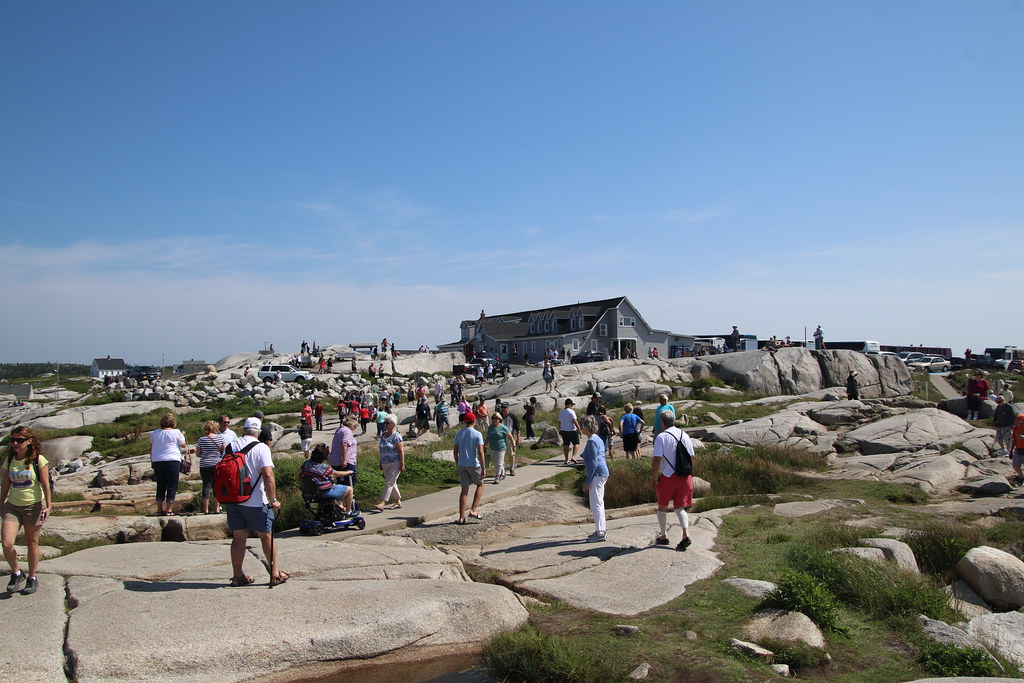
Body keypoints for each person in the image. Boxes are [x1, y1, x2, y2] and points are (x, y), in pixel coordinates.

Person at [225, 418, 287, 587]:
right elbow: (267, 475)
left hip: (233, 499)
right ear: (259, 432)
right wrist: (273, 499)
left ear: (243, 430)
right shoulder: (261, 448)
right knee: (266, 536)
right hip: (255, 500)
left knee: (238, 537)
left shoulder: (231, 446)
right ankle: (275, 574)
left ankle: (238, 576)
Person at [1, 426, 51, 595]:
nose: (15, 443)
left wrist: (49, 505)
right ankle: (16, 573)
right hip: (12, 505)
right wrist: (1, 504)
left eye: (19, 440)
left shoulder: (39, 460)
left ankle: (32, 577)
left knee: (32, 543)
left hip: (33, 506)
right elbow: (5, 484)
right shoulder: (9, 459)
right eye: (13, 440)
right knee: (7, 544)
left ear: (29, 441)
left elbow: (45, 484)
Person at [651, 411, 695, 551]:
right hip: (684, 476)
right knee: (680, 507)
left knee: (662, 506)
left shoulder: (661, 437)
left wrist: (653, 476)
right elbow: (692, 457)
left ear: (662, 422)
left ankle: (664, 536)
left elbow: (657, 458)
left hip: (668, 476)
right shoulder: (685, 435)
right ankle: (685, 534)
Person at [299, 444, 355, 514]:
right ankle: (348, 512)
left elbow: (297, 475)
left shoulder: (306, 463)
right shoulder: (323, 468)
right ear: (325, 457)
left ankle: (339, 505)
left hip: (309, 493)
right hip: (322, 492)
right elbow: (336, 474)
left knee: (335, 489)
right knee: (349, 490)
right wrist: (348, 472)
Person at [578, 415, 609, 543]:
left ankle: (600, 531)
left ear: (586, 427)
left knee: (595, 503)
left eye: (582, 426)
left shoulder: (591, 441)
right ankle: (601, 529)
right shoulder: (597, 438)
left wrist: (587, 480)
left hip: (597, 474)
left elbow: (593, 463)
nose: (580, 428)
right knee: (599, 503)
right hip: (602, 472)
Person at [150, 412, 186, 516]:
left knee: (160, 484)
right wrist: (182, 435)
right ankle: (169, 509)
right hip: (172, 460)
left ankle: (159, 509)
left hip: (158, 460)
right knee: (172, 484)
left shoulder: (156, 432)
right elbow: (183, 445)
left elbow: (151, 445)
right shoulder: (176, 432)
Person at [453, 413, 486, 524]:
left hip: (462, 463)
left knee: (464, 490)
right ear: (474, 421)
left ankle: (461, 517)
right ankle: (473, 509)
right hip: (473, 463)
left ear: (465, 421)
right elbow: (481, 452)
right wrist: (484, 467)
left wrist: (457, 464)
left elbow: (455, 451)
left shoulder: (459, 434)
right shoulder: (477, 434)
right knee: (480, 484)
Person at [374, 414, 404, 511]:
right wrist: (380, 462)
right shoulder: (383, 435)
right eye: (384, 422)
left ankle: (382, 502)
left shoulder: (397, 436)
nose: (385, 424)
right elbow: (381, 450)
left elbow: (401, 451)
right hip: (385, 462)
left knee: (389, 483)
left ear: (393, 424)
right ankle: (398, 501)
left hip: (395, 462)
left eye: (387, 423)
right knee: (392, 482)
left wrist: (402, 464)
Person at [196, 420, 225, 514]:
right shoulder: (220, 438)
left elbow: (198, 453)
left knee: (206, 485)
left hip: (205, 464)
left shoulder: (201, 439)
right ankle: (217, 508)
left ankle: (206, 509)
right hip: (217, 464)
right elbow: (223, 451)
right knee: (217, 486)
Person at [328, 416, 359, 487]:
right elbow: (345, 444)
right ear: (351, 425)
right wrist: (345, 460)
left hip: (335, 460)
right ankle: (348, 496)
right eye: (355, 426)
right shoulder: (347, 431)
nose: (355, 428)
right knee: (351, 481)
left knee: (341, 481)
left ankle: (341, 496)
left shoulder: (340, 429)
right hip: (346, 461)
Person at [486, 414, 514, 482]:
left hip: (501, 448)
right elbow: (488, 437)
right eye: (493, 418)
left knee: (498, 463)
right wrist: (485, 445)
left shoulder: (503, 427)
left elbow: (510, 436)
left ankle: (497, 477)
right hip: (493, 447)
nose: (495, 419)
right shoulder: (490, 427)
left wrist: (513, 446)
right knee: (497, 462)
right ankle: (503, 473)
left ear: (499, 419)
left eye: (496, 418)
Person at [499, 402, 521, 475]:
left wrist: (518, 438)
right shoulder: (498, 416)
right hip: (500, 437)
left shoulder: (513, 417)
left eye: (504, 407)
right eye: (502, 407)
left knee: (511, 454)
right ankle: (502, 470)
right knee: (501, 455)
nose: (503, 409)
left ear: (508, 408)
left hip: (510, 437)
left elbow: (517, 428)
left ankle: (512, 468)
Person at [558, 399, 582, 465]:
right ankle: (573, 456)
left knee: (566, 445)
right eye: (572, 405)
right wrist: (579, 429)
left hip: (564, 430)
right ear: (569, 404)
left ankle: (566, 459)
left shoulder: (561, 412)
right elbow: (574, 421)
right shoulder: (571, 411)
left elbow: (559, 422)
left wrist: (560, 429)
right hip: (572, 430)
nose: (572, 406)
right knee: (576, 443)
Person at [1012, 413, 1024, 485]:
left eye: (1020, 422)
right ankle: (1022, 477)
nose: (1019, 423)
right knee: (1015, 466)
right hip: (1018, 449)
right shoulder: (1016, 428)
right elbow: (1014, 439)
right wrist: (1011, 450)